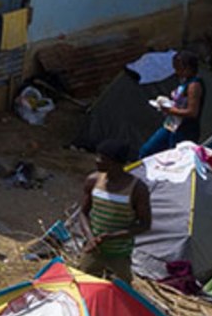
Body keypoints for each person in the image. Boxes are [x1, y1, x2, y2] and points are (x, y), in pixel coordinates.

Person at [80, 142, 150, 283]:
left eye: (102, 158)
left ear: (114, 163)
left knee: (120, 291)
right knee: (85, 285)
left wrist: (112, 236)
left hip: (119, 254)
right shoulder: (93, 181)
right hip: (94, 251)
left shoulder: (137, 189)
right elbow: (83, 213)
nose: (96, 160)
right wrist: (90, 237)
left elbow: (144, 224)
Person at [140, 51, 205, 158]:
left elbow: (192, 112)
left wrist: (169, 110)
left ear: (188, 68)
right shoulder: (185, 82)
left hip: (185, 131)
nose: (176, 72)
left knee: (173, 159)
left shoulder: (194, 85)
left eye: (178, 68)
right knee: (147, 151)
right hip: (172, 125)